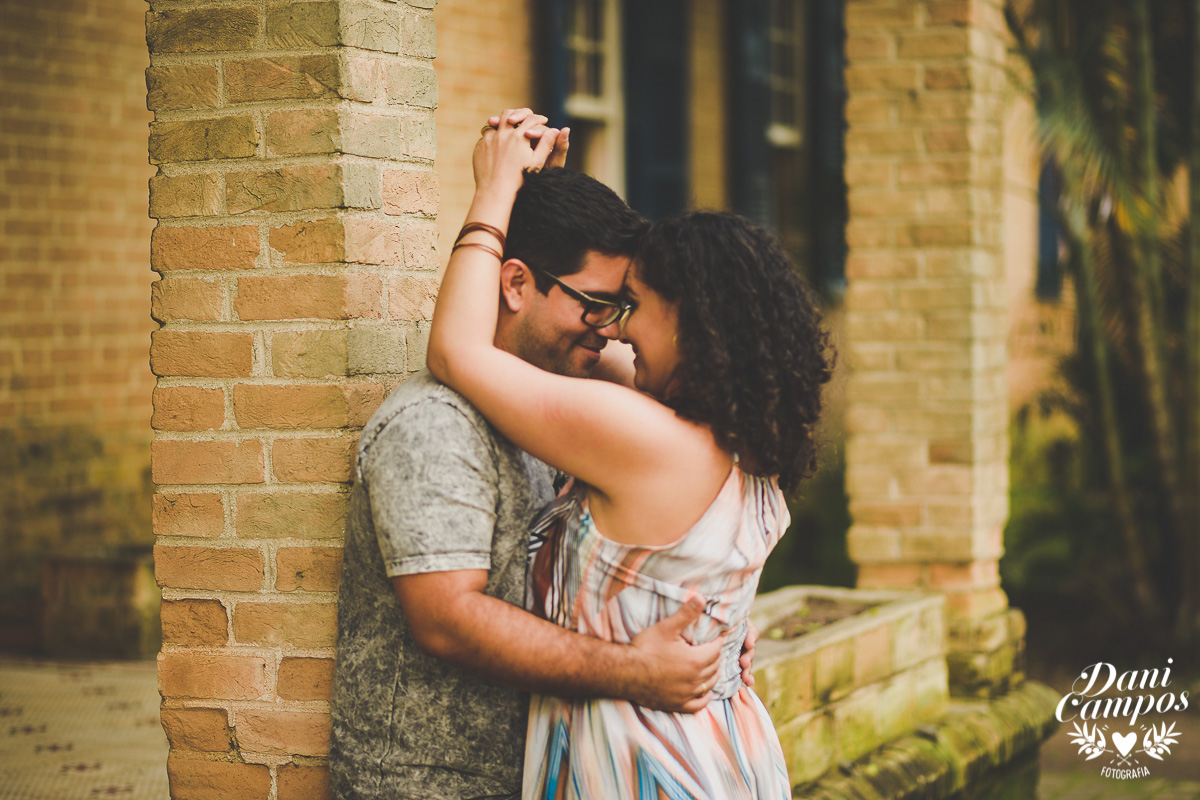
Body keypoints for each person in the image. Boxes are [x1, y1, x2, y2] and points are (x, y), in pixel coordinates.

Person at [329, 128, 753, 800]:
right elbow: (446, 618)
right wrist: (636, 671)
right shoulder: (434, 425)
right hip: (434, 783)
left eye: (625, 308)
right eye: (597, 304)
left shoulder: (557, 401)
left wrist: (703, 627)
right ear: (517, 283)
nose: (613, 330)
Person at [426, 109, 832, 798]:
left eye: (633, 305)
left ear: (691, 320)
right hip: (722, 754)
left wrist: (493, 194)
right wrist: (543, 210)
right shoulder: (743, 447)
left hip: (643, 766)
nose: (618, 329)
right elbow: (568, 353)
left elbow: (457, 351)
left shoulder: (644, 440)